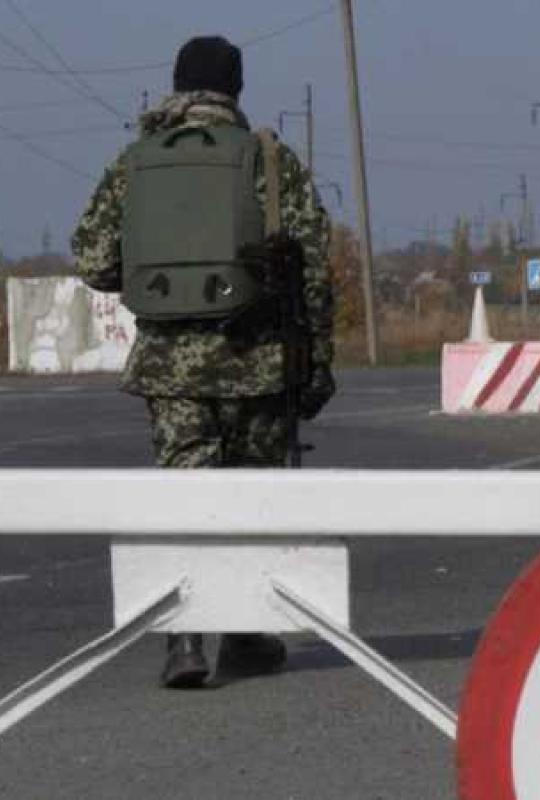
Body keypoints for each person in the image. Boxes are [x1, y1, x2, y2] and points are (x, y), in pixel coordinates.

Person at [72, 36, 336, 689]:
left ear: (178, 84)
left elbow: (95, 258)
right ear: (236, 88)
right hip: (258, 360)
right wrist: (317, 361)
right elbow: (312, 268)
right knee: (251, 499)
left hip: (170, 363)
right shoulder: (270, 160)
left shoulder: (135, 162)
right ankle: (245, 634)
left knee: (184, 497)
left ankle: (183, 640)